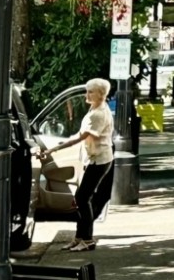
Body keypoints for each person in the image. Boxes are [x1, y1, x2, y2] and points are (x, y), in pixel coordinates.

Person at [39, 79, 116, 252]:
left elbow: (80, 138)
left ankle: (87, 240)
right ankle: (79, 238)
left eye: (91, 92)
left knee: (82, 198)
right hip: (97, 158)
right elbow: (81, 134)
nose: (86, 95)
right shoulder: (95, 109)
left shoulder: (98, 114)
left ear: (101, 94)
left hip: (100, 160)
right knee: (82, 198)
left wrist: (53, 149)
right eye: (87, 91)